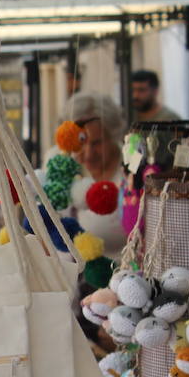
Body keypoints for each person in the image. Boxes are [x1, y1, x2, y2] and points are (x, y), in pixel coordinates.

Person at [65, 92, 129, 257]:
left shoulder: (130, 176)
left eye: (96, 143)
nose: (88, 154)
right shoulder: (65, 167)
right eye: (81, 143)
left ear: (113, 135)